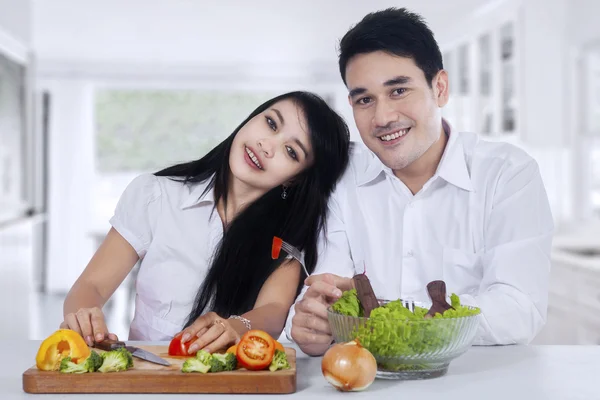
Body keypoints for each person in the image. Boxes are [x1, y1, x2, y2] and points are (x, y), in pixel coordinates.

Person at [288, 8, 554, 356]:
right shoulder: (340, 176)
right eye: (365, 99)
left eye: (398, 91)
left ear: (439, 88)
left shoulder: (507, 174)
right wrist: (313, 323)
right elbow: (329, 296)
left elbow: (519, 310)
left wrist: (392, 318)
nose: (383, 117)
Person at [60, 91, 350, 355]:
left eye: (291, 152)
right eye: (271, 124)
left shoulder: (289, 235)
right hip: (149, 375)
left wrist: (236, 326)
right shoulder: (156, 195)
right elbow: (93, 284)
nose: (266, 145)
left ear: (296, 177)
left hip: (230, 384)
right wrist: (85, 315)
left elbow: (273, 310)